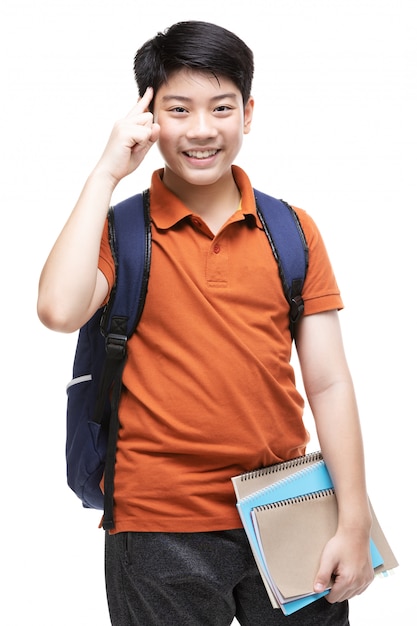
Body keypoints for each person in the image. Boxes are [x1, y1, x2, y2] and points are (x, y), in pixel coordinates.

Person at [37, 20, 374, 626]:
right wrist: (105, 173)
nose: (200, 129)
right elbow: (59, 311)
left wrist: (353, 520)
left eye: (220, 107)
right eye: (178, 108)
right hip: (161, 523)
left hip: (288, 508)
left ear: (247, 113)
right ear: (149, 117)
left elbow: (329, 383)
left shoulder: (291, 231)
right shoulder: (122, 229)